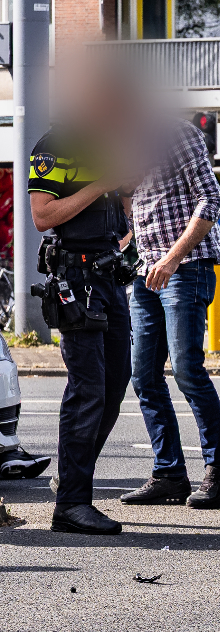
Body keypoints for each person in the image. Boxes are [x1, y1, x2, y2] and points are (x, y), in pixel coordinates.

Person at [120, 114, 220, 510]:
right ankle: (169, 473)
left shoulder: (177, 132)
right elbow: (136, 201)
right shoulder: (123, 144)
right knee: (143, 376)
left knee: (187, 370)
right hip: (145, 271)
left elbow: (211, 199)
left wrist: (171, 259)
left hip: (186, 268)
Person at [27, 127, 137, 534]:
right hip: (76, 278)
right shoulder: (57, 146)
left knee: (114, 382)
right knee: (88, 388)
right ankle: (72, 503)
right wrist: (101, 184)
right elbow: (43, 216)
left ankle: (74, 478)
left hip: (107, 277)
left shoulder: (109, 142)